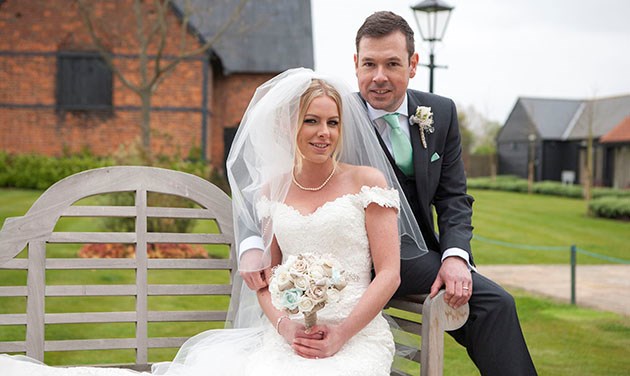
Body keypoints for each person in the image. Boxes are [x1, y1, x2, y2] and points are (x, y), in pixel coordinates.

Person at [0, 69, 428, 376]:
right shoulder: (272, 190)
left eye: (332, 122)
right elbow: (266, 279)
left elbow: (389, 273)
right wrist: (283, 326)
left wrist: (340, 332)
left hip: (356, 332)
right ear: (289, 127)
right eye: (311, 121)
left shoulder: (366, 183)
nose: (324, 133)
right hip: (288, 334)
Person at [353, 11, 538, 375]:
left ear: (413, 64)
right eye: (369, 64)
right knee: (490, 302)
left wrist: (455, 256)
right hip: (366, 257)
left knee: (495, 304)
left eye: (392, 63)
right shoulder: (336, 115)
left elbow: (453, 196)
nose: (378, 77)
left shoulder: (439, 111)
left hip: (426, 254)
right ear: (355, 64)